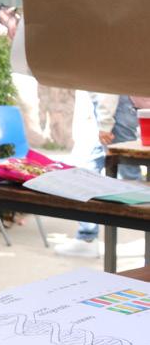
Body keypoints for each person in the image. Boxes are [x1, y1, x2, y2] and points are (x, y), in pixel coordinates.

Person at [56, 92, 143, 258]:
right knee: (90, 172)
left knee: (128, 179)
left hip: (112, 106)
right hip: (112, 107)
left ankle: (87, 239)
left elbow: (110, 84)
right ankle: (86, 238)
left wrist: (105, 122)